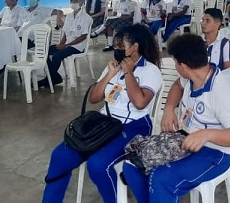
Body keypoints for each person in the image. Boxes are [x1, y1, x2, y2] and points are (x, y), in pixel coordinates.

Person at [42, 24, 162, 203]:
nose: (116, 49)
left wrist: (128, 73)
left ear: (135, 47)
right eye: (116, 45)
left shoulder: (150, 70)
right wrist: (110, 75)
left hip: (133, 126)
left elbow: (140, 103)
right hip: (104, 122)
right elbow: (94, 98)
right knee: (60, 156)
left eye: (121, 46)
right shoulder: (113, 66)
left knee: (98, 164)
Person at [123, 34, 230, 203]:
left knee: (160, 178)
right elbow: (177, 86)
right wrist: (169, 109)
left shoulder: (222, 93)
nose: (175, 66)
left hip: (214, 153)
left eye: (175, 62)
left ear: (183, 65)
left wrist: (206, 134)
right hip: (185, 140)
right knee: (132, 165)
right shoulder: (191, 77)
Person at [41, 0, 93, 87]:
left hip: (77, 46)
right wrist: (61, 44)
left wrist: (66, 45)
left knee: (57, 56)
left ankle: (48, 80)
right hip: (67, 44)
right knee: (45, 52)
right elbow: (66, 33)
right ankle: (54, 77)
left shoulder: (86, 18)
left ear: (82, 1)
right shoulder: (69, 16)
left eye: (76, 1)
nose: (73, 3)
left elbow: (83, 36)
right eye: (71, 1)